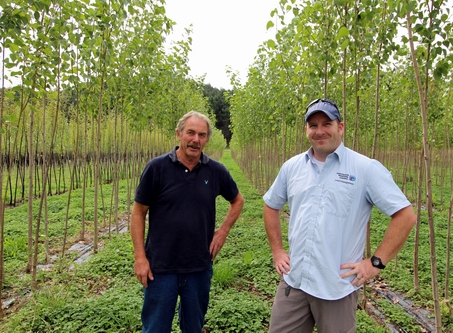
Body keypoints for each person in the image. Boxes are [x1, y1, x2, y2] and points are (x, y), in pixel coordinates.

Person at [263, 98, 417, 333]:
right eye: (313, 125)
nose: (320, 131)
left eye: (327, 123)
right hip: (295, 282)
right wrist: (277, 251)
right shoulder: (292, 167)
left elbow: (405, 215)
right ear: (306, 130)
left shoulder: (365, 168)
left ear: (340, 127)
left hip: (336, 288)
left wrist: (375, 263)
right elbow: (271, 205)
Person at [131, 111, 244, 333]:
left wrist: (222, 231)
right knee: (155, 328)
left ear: (207, 140)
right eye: (190, 133)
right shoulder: (157, 168)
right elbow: (138, 212)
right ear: (178, 134)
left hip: (199, 267)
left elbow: (237, 200)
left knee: (194, 327)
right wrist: (139, 258)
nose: (195, 140)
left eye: (202, 135)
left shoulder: (216, 171)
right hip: (160, 268)